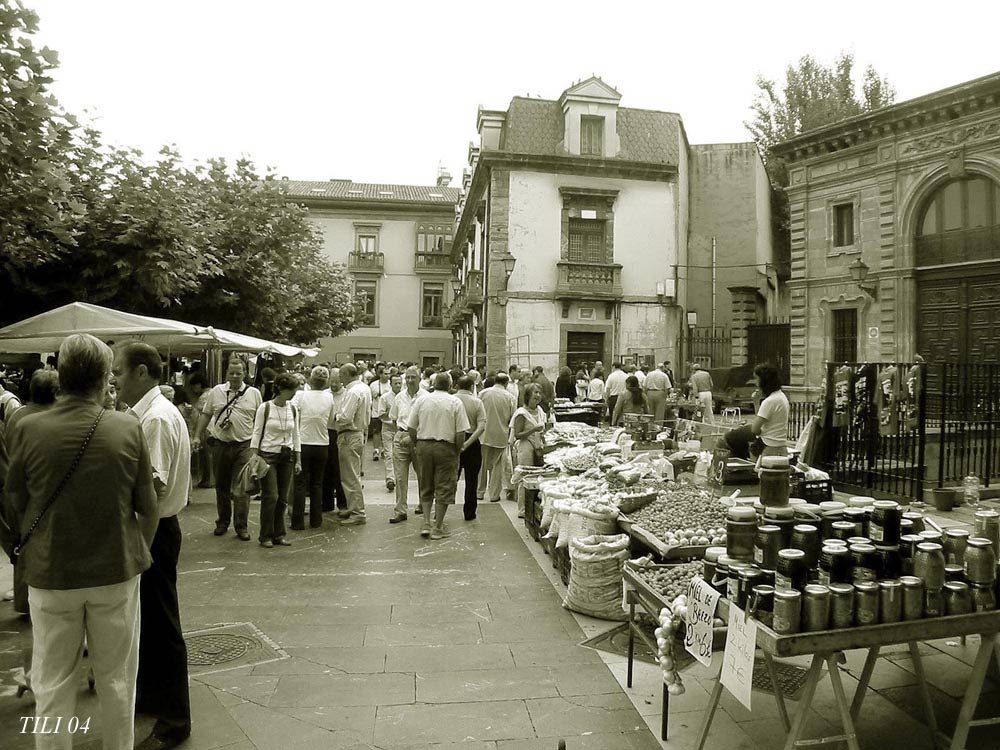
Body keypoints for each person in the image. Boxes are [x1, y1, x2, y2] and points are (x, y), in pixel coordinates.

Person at [6, 334, 159, 750]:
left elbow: (16, 499)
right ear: (104, 379)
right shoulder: (127, 427)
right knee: (118, 679)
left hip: (51, 572)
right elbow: (149, 506)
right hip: (115, 571)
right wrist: (138, 554)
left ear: (62, 375)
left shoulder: (28, 427)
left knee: (52, 683)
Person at [112, 343, 192, 750]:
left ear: (141, 373)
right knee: (151, 621)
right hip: (156, 528)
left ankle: (175, 720)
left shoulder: (155, 419)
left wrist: (140, 546)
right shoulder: (147, 415)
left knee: (163, 625)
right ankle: (153, 697)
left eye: (119, 372)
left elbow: (153, 487)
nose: (114, 379)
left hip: (155, 529)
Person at [193, 360, 262, 540]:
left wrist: (259, 446)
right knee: (222, 486)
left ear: (245, 373)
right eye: (231, 373)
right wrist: (196, 435)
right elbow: (206, 414)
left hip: (244, 446)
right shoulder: (216, 392)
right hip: (221, 444)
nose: (235, 376)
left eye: (238, 373)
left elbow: (259, 421)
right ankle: (223, 522)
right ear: (227, 374)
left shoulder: (254, 394)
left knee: (241, 487)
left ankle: (241, 526)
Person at [408, 372, 470, 538]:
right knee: (444, 486)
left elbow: (411, 428)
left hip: (424, 445)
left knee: (426, 484)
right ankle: (438, 527)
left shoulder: (422, 400)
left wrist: (417, 444)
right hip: (446, 447)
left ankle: (426, 523)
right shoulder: (455, 402)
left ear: (434, 384)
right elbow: (460, 433)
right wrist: (457, 450)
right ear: (450, 386)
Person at [250, 372, 301, 547]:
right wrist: (254, 456)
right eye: (291, 390)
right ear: (280, 389)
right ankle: (265, 535)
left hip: (287, 456)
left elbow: (296, 434)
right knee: (271, 495)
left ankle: (279, 534)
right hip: (268, 455)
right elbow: (257, 432)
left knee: (283, 498)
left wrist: (298, 458)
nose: (294, 393)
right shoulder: (265, 408)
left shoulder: (293, 408)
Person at [292, 366, 334, 530]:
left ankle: (297, 521)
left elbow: (292, 411)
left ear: (310, 378)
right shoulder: (329, 398)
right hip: (322, 443)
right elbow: (331, 419)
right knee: (317, 483)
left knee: (300, 483)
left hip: (303, 443)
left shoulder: (301, 395)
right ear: (326, 382)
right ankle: (316, 520)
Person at [722, 364, 790, 461]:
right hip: (776, 438)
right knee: (742, 432)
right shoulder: (781, 396)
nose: (756, 383)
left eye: (757, 379)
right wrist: (756, 402)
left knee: (730, 437)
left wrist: (756, 430)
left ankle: (741, 462)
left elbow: (754, 430)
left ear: (764, 381)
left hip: (768, 440)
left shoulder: (770, 401)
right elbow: (761, 417)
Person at [333, 363, 371, 525]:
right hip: (358, 433)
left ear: (347, 375)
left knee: (350, 476)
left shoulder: (353, 392)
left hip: (349, 434)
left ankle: (358, 512)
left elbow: (346, 417)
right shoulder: (364, 388)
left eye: (341, 375)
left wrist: (336, 416)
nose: (339, 378)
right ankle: (353, 506)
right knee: (352, 473)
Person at [388, 366, 425, 523]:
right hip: (401, 437)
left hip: (419, 438)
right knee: (400, 477)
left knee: (422, 475)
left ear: (420, 379)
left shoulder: (426, 397)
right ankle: (400, 510)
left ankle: (424, 503)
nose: (410, 380)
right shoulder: (399, 397)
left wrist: (413, 436)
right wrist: (402, 433)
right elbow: (394, 418)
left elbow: (426, 422)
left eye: (413, 377)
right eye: (407, 377)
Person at [510, 383, 549, 519]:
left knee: (537, 477)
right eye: (535, 393)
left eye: (539, 393)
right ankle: (522, 509)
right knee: (525, 477)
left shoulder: (540, 411)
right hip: (525, 446)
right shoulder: (521, 413)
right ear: (527, 396)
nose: (538, 396)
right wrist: (533, 429)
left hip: (538, 445)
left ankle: (533, 508)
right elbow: (518, 435)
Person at [479, 373, 517, 504]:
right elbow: (513, 418)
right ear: (506, 383)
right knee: (497, 466)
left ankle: (480, 492)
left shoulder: (483, 393)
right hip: (501, 434)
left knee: (483, 464)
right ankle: (494, 494)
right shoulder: (510, 397)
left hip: (484, 434)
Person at [455, 375, 486, 521]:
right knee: (472, 480)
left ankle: (440, 509)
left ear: (457, 386)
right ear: (472, 387)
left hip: (453, 440)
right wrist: (468, 443)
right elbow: (481, 427)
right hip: (472, 442)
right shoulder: (477, 402)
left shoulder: (452, 400)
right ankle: (469, 512)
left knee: (448, 478)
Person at [322, 367, 348, 513]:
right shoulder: (325, 394)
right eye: (332, 381)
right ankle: (326, 503)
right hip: (327, 432)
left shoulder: (346, 395)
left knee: (339, 470)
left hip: (339, 432)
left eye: (337, 382)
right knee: (326, 469)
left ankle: (343, 503)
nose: (334, 384)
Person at [379, 374, 402, 492]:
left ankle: (399, 477)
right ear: (391, 384)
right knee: (389, 453)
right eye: (395, 383)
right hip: (388, 428)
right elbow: (381, 414)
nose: (398, 385)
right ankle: (390, 479)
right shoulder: (385, 398)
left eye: (399, 383)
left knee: (399, 455)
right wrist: (390, 415)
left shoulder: (405, 397)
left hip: (400, 429)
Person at [369, 367, 391, 462]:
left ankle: (384, 450)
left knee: (386, 433)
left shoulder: (391, 384)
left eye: (388, 374)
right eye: (385, 374)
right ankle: (376, 450)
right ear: (380, 374)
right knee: (376, 432)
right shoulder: (373, 385)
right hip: (376, 412)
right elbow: (370, 398)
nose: (387, 376)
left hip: (388, 413)